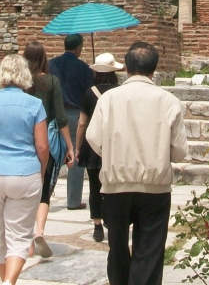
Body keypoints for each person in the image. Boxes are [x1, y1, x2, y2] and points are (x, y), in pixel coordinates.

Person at [86, 42, 187, 285]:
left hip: (116, 185)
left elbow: (93, 137)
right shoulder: (169, 101)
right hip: (155, 187)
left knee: (118, 246)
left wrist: (111, 154)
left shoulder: (109, 99)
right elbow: (179, 152)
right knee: (150, 250)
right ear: (154, 69)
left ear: (127, 68)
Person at [0, 55, 49, 285]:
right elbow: (42, 145)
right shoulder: (34, 105)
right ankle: (9, 282)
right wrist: (42, 170)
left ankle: (7, 281)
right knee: (19, 236)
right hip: (24, 171)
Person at [23, 42, 74, 259]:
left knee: (25, 193)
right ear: (44, 57)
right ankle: (40, 231)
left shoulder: (21, 83)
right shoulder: (52, 81)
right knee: (45, 191)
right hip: (47, 142)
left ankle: (28, 244)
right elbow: (61, 118)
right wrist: (70, 146)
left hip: (24, 142)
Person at [73, 52, 122, 243]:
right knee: (112, 186)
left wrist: (78, 147)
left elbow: (82, 123)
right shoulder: (119, 92)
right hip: (114, 144)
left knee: (94, 186)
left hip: (92, 144)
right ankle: (111, 219)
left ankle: (97, 225)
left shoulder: (89, 93)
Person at [47, 34, 94, 210]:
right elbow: (88, 94)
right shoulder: (84, 69)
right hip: (75, 115)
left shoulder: (51, 65)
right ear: (78, 48)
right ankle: (73, 200)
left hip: (54, 116)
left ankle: (45, 196)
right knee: (75, 155)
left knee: (53, 156)